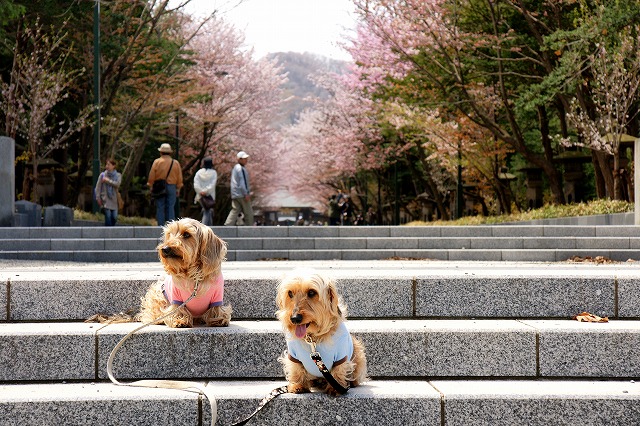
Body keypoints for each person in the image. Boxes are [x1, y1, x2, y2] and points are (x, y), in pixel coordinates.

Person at [148, 143, 183, 226]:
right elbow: (179, 176)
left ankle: (160, 226)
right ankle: (171, 226)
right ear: (170, 153)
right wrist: (178, 188)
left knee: (160, 206)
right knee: (171, 206)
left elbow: (152, 175)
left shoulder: (157, 162)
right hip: (172, 186)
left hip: (159, 186)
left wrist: (151, 185)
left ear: (161, 152)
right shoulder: (175, 163)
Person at [224, 151, 254, 226]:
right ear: (239, 159)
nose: (246, 160)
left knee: (235, 210)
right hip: (241, 194)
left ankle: (228, 224)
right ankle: (250, 227)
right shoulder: (241, 169)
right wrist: (246, 193)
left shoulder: (235, 168)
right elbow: (242, 182)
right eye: (244, 159)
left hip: (235, 193)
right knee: (248, 212)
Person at [95, 158, 122, 226]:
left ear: (113, 166)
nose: (107, 166)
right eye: (106, 164)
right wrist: (98, 197)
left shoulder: (118, 175)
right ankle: (108, 232)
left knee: (114, 217)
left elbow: (117, 184)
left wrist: (107, 181)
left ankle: (112, 231)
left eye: (109, 164)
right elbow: (98, 187)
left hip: (114, 199)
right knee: (108, 216)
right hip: (105, 199)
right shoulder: (102, 175)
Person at [193, 156, 217, 226]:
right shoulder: (213, 173)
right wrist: (206, 191)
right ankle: (204, 227)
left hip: (200, 195)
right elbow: (212, 184)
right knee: (207, 210)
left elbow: (196, 184)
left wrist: (200, 191)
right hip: (210, 196)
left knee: (207, 210)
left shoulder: (199, 172)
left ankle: (209, 227)